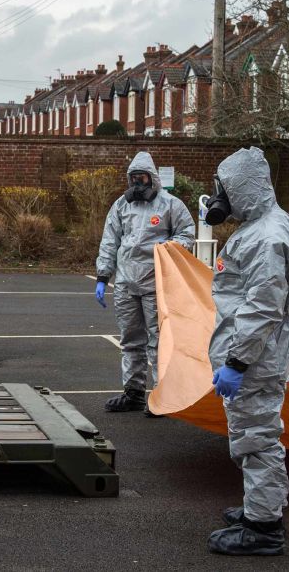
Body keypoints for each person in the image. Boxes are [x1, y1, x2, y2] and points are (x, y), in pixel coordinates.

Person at [204, 147, 289, 556]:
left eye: (224, 188)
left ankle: (264, 528)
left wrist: (236, 362)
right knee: (255, 435)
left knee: (256, 439)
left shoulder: (266, 237)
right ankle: (258, 509)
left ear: (240, 188)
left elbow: (262, 306)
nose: (219, 197)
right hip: (261, 354)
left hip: (257, 359)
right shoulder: (270, 224)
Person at [95, 152, 195, 413]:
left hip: (155, 283)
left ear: (153, 178)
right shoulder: (121, 205)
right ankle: (134, 392)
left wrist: (169, 246)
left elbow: (187, 233)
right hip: (126, 283)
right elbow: (110, 240)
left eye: (142, 177)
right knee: (130, 340)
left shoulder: (170, 205)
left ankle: (162, 394)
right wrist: (103, 276)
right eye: (134, 178)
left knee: (158, 341)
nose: (138, 183)